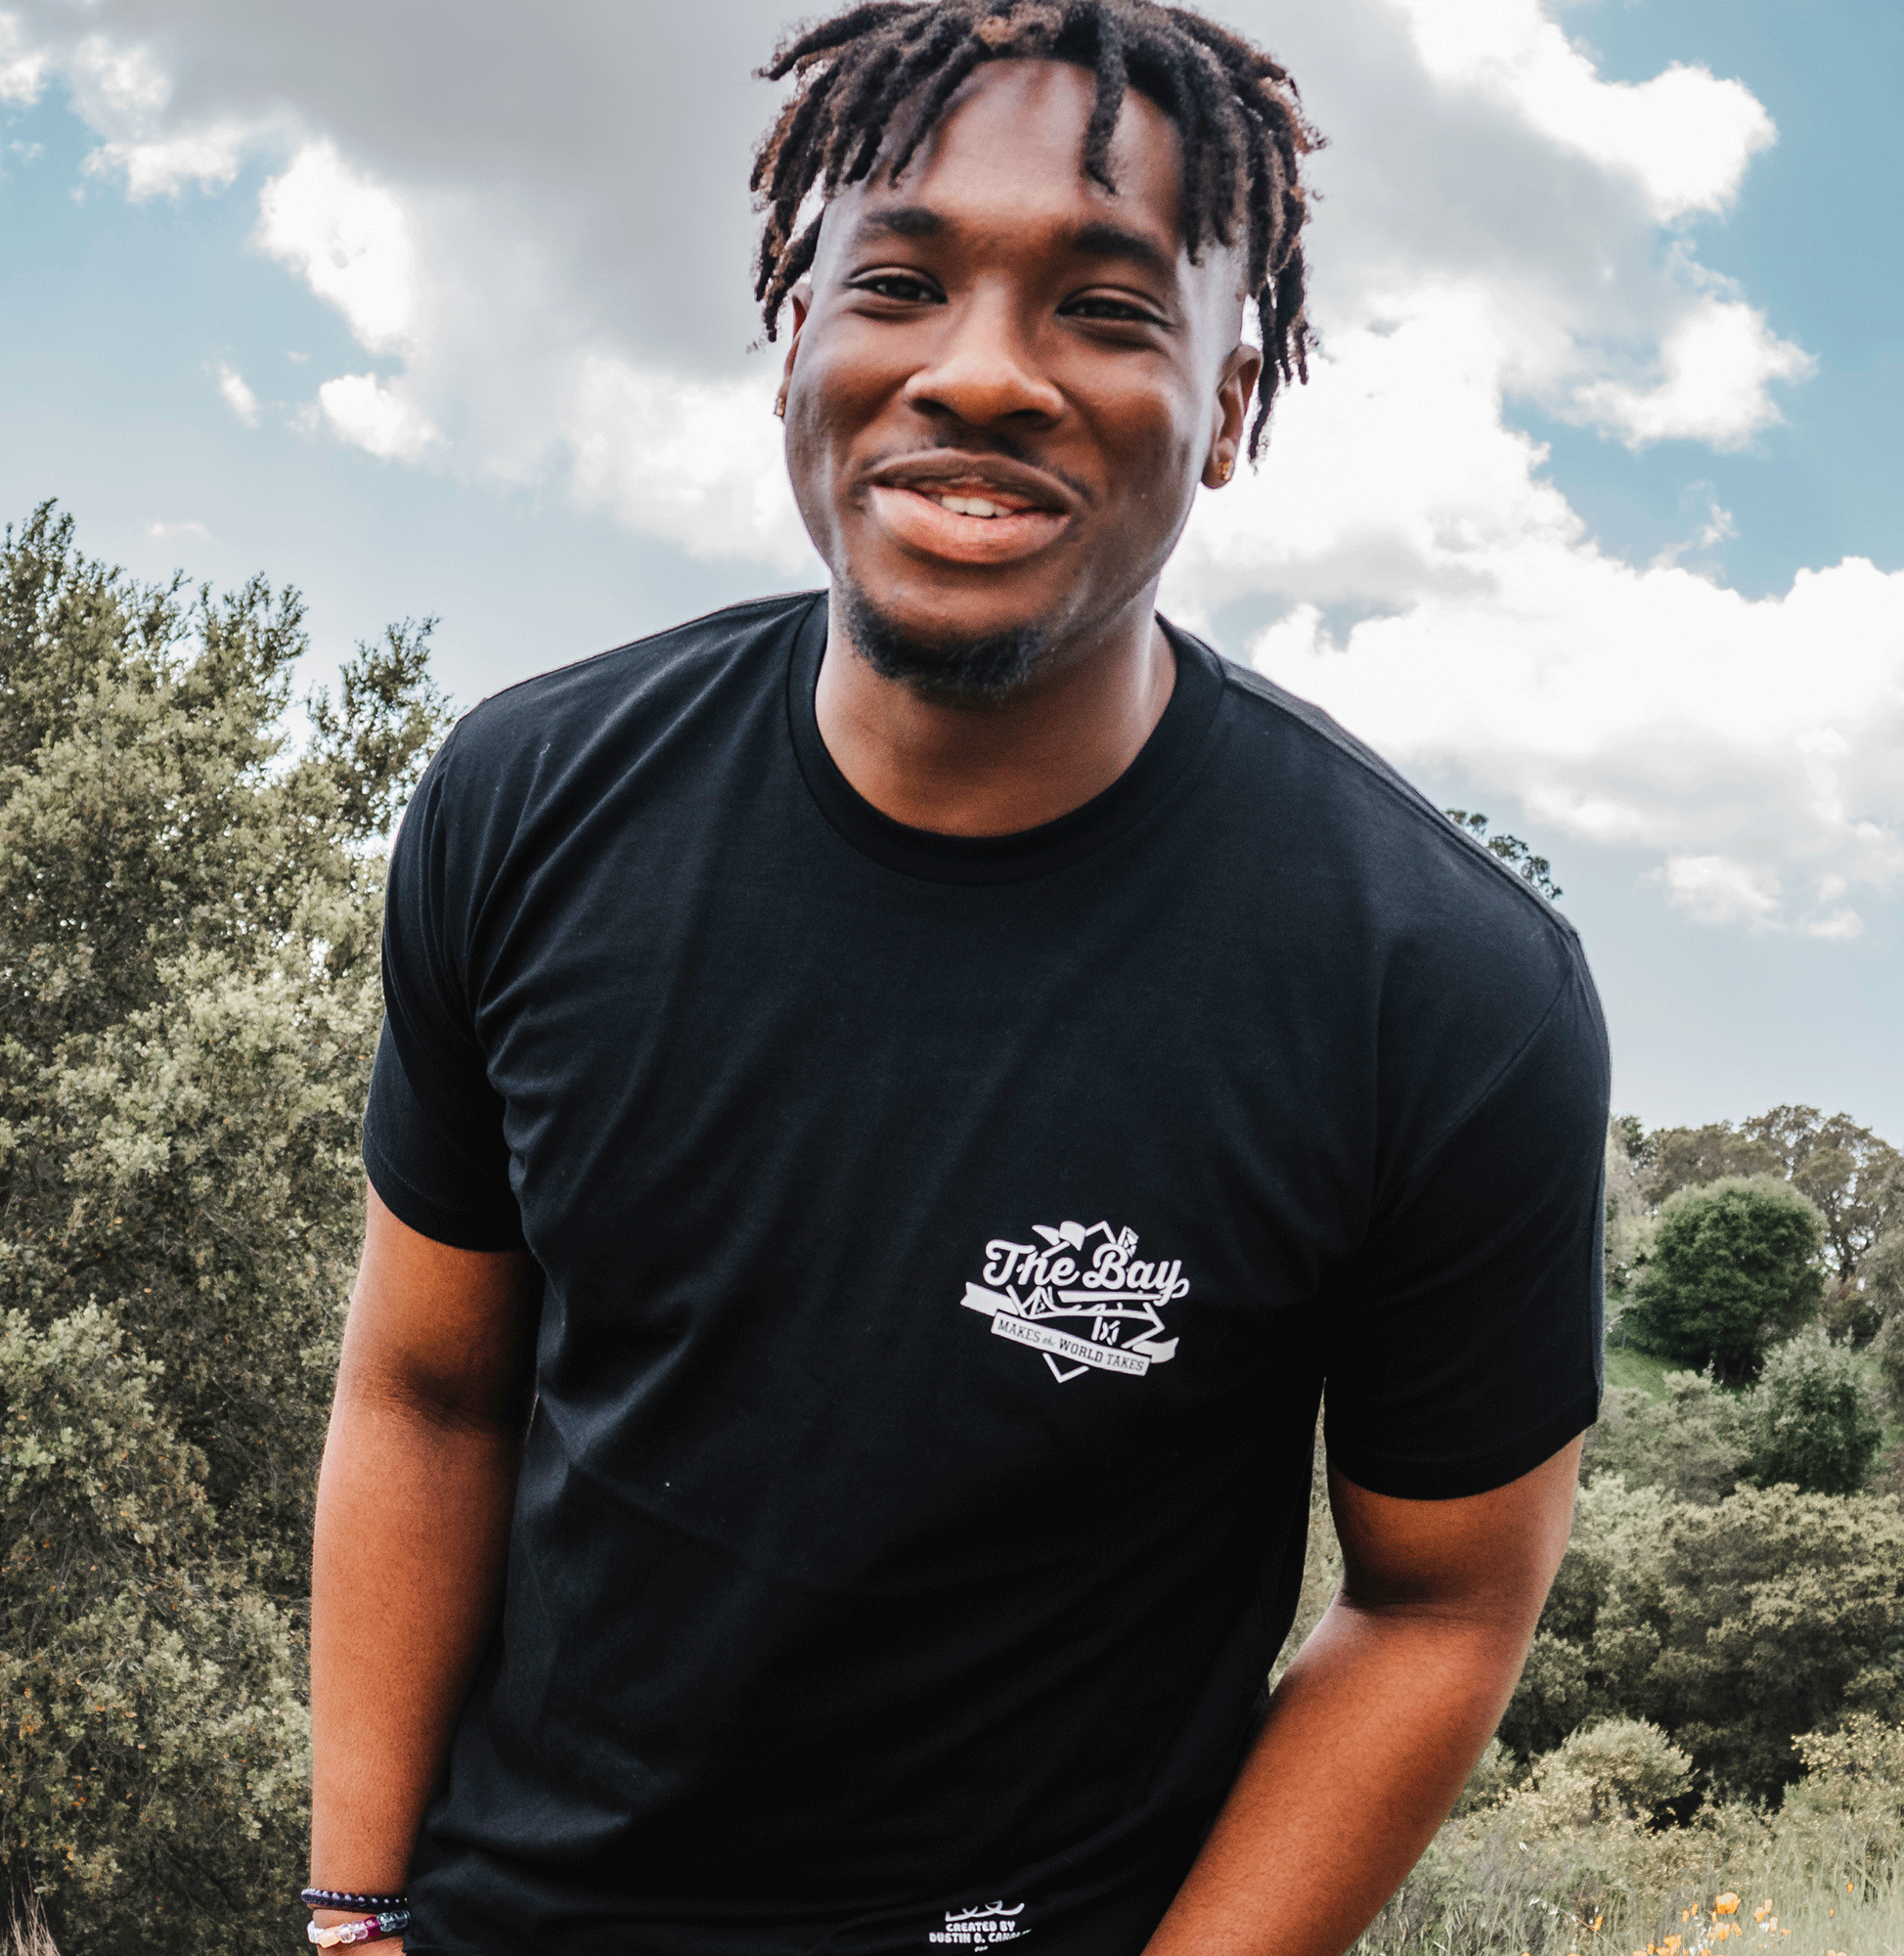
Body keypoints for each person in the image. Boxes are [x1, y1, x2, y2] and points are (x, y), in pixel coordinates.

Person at [308, 4, 1608, 1953]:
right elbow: (425, 1388)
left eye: (1105, 307)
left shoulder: (1442, 988)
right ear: (796, 342)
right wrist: (353, 1898)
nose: (980, 375)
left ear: (1234, 401)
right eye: (901, 282)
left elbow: (1435, 1601)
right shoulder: (529, 799)